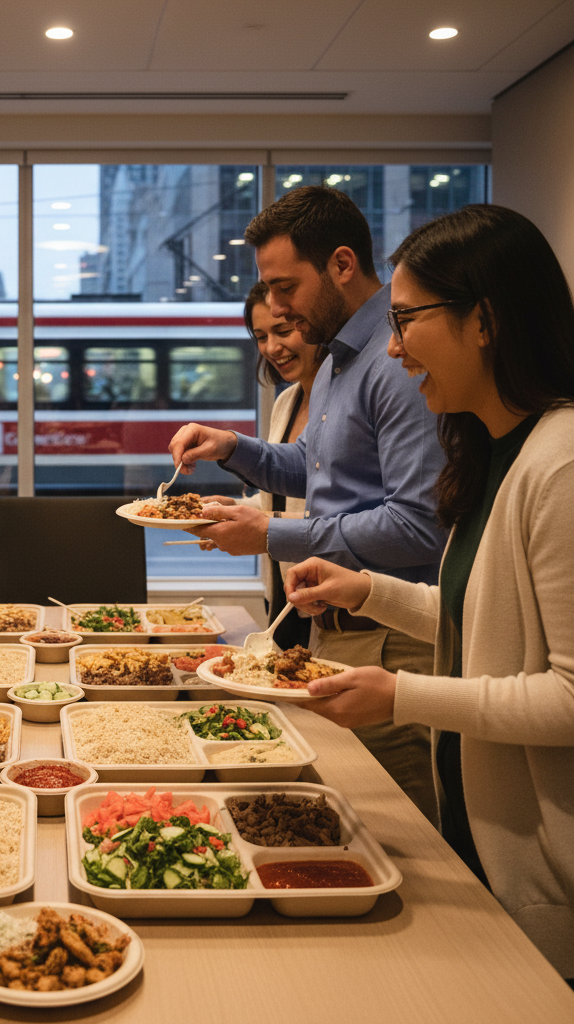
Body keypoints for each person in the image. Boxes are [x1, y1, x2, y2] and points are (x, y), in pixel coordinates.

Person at [284, 204, 574, 979]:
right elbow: (478, 619)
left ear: (485, 320)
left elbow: (570, 697)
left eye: (408, 320)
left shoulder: (560, 466)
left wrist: (404, 695)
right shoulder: (494, 453)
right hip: (483, 841)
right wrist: (368, 588)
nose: (394, 345)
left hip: (547, 880)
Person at [168, 185, 448, 822]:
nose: (273, 305)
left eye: (285, 287)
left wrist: (272, 534)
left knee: (407, 833)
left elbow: (419, 524)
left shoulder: (393, 361)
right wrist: (231, 446)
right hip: (341, 630)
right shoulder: (338, 360)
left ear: (343, 265)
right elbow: (317, 469)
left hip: (394, 639)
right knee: (353, 821)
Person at [204, 281, 323, 649]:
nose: (272, 347)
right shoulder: (286, 402)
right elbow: (286, 501)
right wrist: (237, 509)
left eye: (283, 330)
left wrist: (265, 528)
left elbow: (345, 514)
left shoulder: (340, 402)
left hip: (325, 601)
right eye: (260, 336)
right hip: (283, 598)